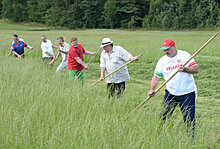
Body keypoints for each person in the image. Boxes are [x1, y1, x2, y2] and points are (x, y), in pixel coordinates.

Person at [148, 39, 199, 135]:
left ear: (174, 47)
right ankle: (158, 134)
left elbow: (196, 69)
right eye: (164, 50)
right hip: (170, 92)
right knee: (163, 116)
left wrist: (184, 69)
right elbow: (156, 77)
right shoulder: (162, 61)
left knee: (189, 119)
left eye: (167, 49)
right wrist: (151, 89)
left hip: (187, 93)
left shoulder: (185, 55)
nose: (166, 52)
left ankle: (190, 139)